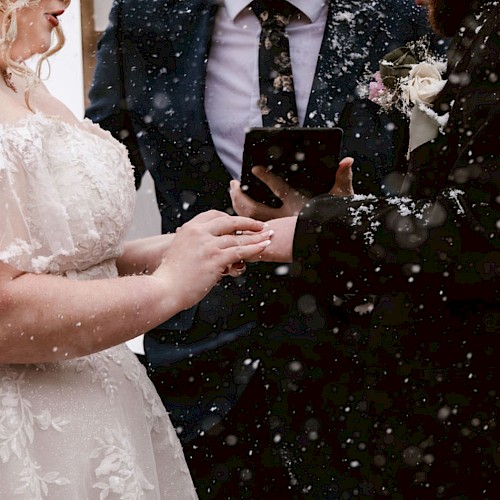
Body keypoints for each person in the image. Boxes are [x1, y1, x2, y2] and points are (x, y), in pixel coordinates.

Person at [86, 0, 444, 496]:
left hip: (373, 361)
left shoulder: (401, 16)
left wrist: (344, 219)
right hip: (202, 366)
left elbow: (448, 192)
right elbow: (94, 180)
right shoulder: (145, 16)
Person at [0, 1, 274, 499]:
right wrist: (166, 287)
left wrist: (184, 248)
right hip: (30, 431)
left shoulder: (20, 83)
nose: (65, 2)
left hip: (110, 414)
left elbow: (64, 259)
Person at [231, 0, 499, 496]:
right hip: (412, 402)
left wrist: (321, 227)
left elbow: (483, 227)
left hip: (463, 405)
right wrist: (345, 214)